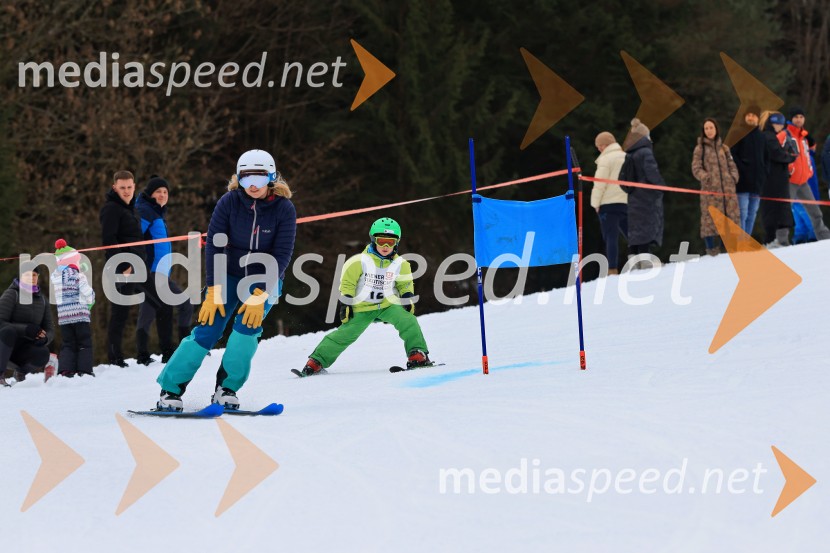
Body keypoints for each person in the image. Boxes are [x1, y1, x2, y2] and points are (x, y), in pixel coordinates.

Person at [155, 150, 296, 411]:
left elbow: (282, 254)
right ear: (238, 179)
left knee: (247, 328)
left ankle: (226, 389)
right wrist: (214, 290)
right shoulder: (228, 202)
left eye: (260, 178)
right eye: (245, 179)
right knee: (208, 328)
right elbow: (215, 247)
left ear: (272, 178)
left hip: (265, 277)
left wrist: (260, 293)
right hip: (228, 274)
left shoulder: (284, 209)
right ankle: (169, 390)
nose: (252, 185)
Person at [295, 217, 430, 377]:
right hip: (362, 308)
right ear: (373, 240)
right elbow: (347, 285)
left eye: (390, 242)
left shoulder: (401, 264)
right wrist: (345, 304)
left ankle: (417, 354)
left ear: (397, 243)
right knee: (345, 334)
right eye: (381, 241)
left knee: (408, 321)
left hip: (388, 305)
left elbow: (405, 283)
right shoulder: (358, 262)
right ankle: (316, 361)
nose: (386, 246)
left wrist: (407, 297)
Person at [100, 170, 175, 366]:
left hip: (139, 268)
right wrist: (122, 264)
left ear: (134, 187)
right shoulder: (111, 209)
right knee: (120, 313)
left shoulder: (132, 208)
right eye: (122, 187)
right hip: (123, 268)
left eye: (129, 187)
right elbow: (108, 240)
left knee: (164, 304)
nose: (126, 191)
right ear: (115, 187)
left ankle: (168, 352)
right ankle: (115, 359)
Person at [134, 175, 193, 365]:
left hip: (160, 271)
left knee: (149, 310)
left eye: (165, 192)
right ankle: (183, 349)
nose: (162, 195)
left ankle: (145, 355)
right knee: (184, 304)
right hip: (152, 271)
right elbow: (133, 237)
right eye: (158, 191)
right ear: (150, 194)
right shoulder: (145, 210)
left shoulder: (156, 212)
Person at [691, 118, 740, 255]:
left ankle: (730, 247)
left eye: (711, 128)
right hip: (711, 191)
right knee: (710, 220)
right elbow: (696, 167)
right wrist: (705, 177)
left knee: (730, 217)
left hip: (727, 190)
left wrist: (733, 177)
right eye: (706, 128)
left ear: (716, 129)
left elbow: (732, 165)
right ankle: (711, 248)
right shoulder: (700, 148)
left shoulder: (724, 148)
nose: (709, 131)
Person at [620, 118, 664, 265]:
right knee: (646, 227)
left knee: (636, 229)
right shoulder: (645, 152)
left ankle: (633, 260)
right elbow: (652, 172)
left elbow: (621, 178)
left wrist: (631, 190)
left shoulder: (629, 154)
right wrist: (660, 187)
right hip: (647, 196)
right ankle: (645, 261)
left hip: (633, 197)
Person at [0, 269, 54, 386]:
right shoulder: (12, 294)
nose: (32, 277)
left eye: (34, 275)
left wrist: (45, 338)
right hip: (4, 345)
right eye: (28, 274)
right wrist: (26, 329)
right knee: (8, 331)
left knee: (43, 353)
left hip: (22, 350)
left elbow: (50, 329)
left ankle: (21, 372)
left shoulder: (43, 300)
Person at [50, 239, 96, 377]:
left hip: (64, 317)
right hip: (79, 314)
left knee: (68, 343)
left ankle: (66, 369)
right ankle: (84, 370)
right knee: (84, 342)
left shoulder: (56, 278)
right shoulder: (78, 276)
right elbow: (88, 293)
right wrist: (91, 300)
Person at [786, 106, 830, 242]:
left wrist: (809, 170)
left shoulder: (804, 135)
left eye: (801, 117)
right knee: (785, 211)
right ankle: (779, 239)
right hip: (791, 180)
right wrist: (790, 169)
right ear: (791, 119)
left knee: (814, 211)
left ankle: (823, 237)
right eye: (796, 117)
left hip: (804, 180)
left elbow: (808, 155)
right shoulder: (786, 134)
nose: (799, 120)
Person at [591, 132, 628, 275]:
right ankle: (645, 258)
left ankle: (612, 269)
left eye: (599, 146)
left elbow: (599, 184)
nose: (599, 149)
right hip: (624, 202)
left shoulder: (605, 159)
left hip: (607, 204)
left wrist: (595, 203)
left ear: (605, 145)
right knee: (631, 234)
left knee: (610, 237)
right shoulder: (626, 156)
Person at [759, 111, 796, 248]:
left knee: (780, 210)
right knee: (773, 210)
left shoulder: (770, 136)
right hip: (772, 182)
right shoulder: (768, 137)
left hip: (776, 180)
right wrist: (790, 156)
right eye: (777, 123)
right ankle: (770, 241)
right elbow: (777, 155)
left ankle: (780, 240)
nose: (780, 126)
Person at [730, 106, 768, 235]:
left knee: (752, 213)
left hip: (757, 182)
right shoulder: (738, 133)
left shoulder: (762, 136)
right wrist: (742, 168)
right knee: (742, 212)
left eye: (753, 115)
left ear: (758, 118)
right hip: (742, 181)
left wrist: (764, 173)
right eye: (748, 115)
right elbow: (732, 155)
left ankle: (746, 241)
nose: (750, 117)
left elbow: (766, 157)